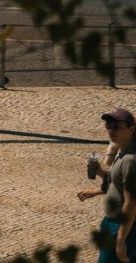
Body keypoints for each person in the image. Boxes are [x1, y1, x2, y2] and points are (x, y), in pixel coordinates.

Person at [78, 108, 136, 263]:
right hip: (115, 223)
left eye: (117, 127)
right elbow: (120, 182)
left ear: (132, 128)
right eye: (108, 127)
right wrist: (100, 173)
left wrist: (121, 239)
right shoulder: (124, 152)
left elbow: (131, 203)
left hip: (122, 226)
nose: (111, 131)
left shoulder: (131, 159)